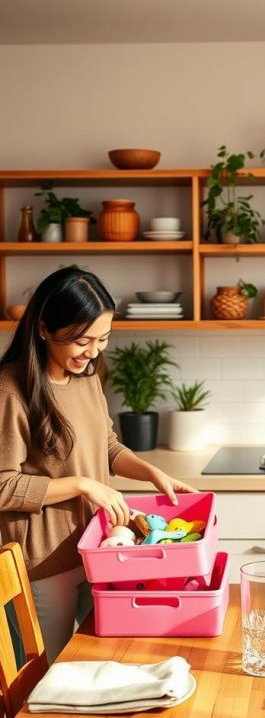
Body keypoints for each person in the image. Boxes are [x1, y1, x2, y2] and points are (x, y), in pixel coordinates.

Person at [0, 267, 196, 664]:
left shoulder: (87, 377)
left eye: (103, 338)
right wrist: (83, 485)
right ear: (42, 328)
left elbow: (106, 445)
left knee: (110, 660)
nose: (93, 352)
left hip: (99, 550)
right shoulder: (9, 390)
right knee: (47, 681)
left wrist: (151, 472)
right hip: (43, 564)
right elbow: (3, 486)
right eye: (82, 340)